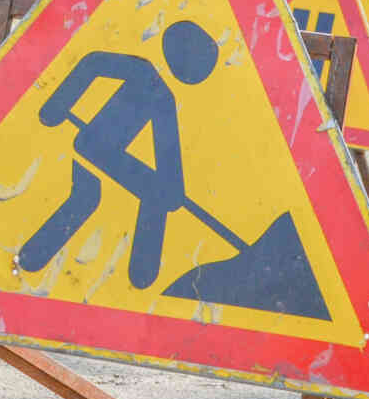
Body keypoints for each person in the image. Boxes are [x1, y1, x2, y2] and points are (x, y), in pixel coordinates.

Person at [16, 21, 219, 290]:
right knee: (133, 196)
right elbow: (92, 64)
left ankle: (31, 259)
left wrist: (173, 189)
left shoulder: (161, 94)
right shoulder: (146, 75)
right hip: (94, 145)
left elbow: (166, 151)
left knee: (89, 197)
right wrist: (55, 106)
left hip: (98, 149)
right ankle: (141, 272)